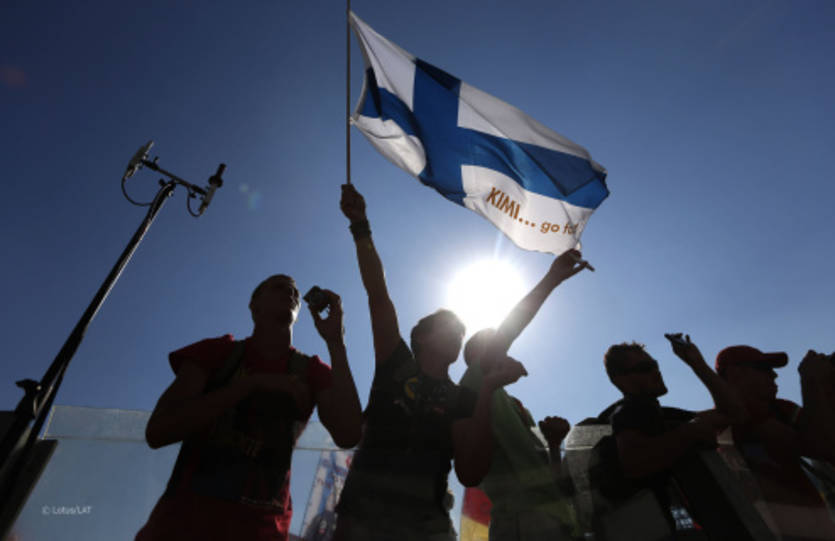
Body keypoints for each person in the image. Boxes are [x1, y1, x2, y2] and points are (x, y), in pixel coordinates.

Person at [334, 183, 526, 541]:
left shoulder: (461, 398)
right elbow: (378, 295)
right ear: (420, 337)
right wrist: (360, 226)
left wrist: (487, 390)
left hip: (426, 525)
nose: (458, 335)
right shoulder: (395, 364)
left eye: (461, 331)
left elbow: (469, 473)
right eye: (449, 328)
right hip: (361, 518)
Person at [136, 274, 363, 541]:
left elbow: (349, 433)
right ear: (254, 306)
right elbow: (158, 431)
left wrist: (336, 342)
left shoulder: (311, 371)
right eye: (279, 287)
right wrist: (250, 385)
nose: (291, 293)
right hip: (179, 528)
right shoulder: (218, 353)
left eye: (295, 291)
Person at [458, 249, 590, 540]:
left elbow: (542, 475)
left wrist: (553, 445)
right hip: (521, 519)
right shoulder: (475, 379)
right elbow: (509, 329)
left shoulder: (513, 404)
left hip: (556, 518)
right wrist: (551, 279)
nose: (505, 349)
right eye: (497, 345)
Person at [599, 335, 745, 533]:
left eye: (655, 365)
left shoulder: (660, 414)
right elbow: (634, 462)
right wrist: (690, 431)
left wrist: (697, 363)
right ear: (620, 379)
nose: (656, 372)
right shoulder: (630, 410)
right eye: (645, 368)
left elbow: (734, 414)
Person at [716, 345, 835, 539]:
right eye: (764, 369)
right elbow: (821, 445)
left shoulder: (780, 409)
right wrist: (812, 382)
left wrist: (828, 388)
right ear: (736, 374)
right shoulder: (734, 419)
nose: (774, 375)